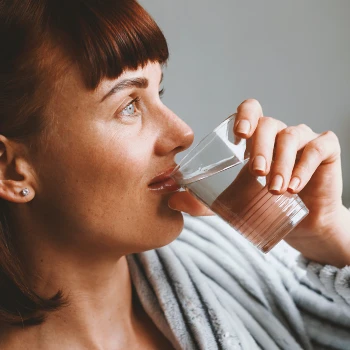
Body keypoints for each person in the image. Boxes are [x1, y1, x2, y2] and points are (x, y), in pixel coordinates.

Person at [0, 0, 349, 349]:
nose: (183, 133)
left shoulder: (227, 258)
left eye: (159, 91)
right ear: (10, 171)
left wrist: (330, 236)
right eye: (129, 106)